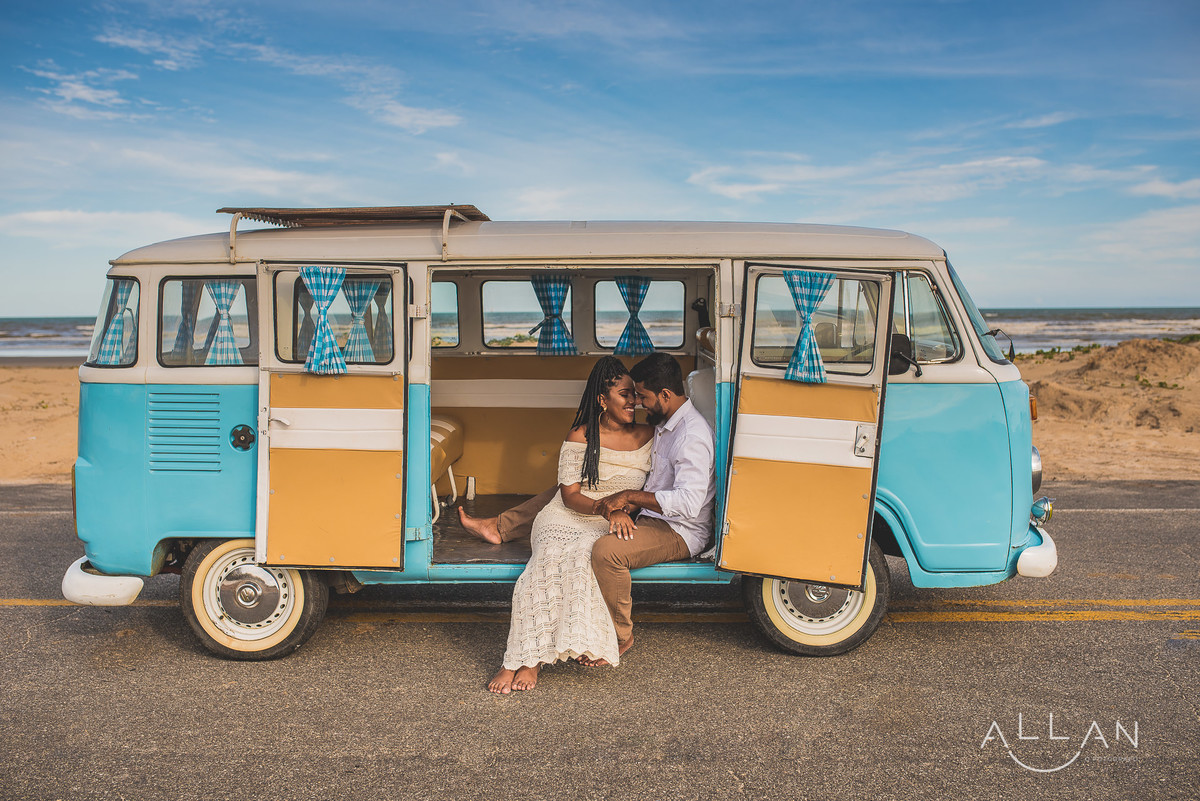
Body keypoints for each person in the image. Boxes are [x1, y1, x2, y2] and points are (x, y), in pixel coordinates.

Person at [466, 352, 715, 671]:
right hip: (650, 515)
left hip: (679, 528)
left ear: (665, 395)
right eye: (631, 395)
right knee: (566, 495)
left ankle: (620, 635)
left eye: (642, 396)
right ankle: (502, 530)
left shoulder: (690, 435)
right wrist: (617, 501)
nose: (638, 403)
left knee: (605, 552)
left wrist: (627, 496)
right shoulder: (666, 424)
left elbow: (689, 504)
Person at [488, 357, 654, 694]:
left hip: (603, 525)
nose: (633, 402)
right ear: (601, 400)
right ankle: (520, 660)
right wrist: (608, 510)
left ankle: (536, 658)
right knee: (542, 568)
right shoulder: (580, 435)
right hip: (567, 516)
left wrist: (623, 509)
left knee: (580, 560)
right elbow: (568, 496)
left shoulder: (650, 434)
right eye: (625, 395)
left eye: (635, 395)